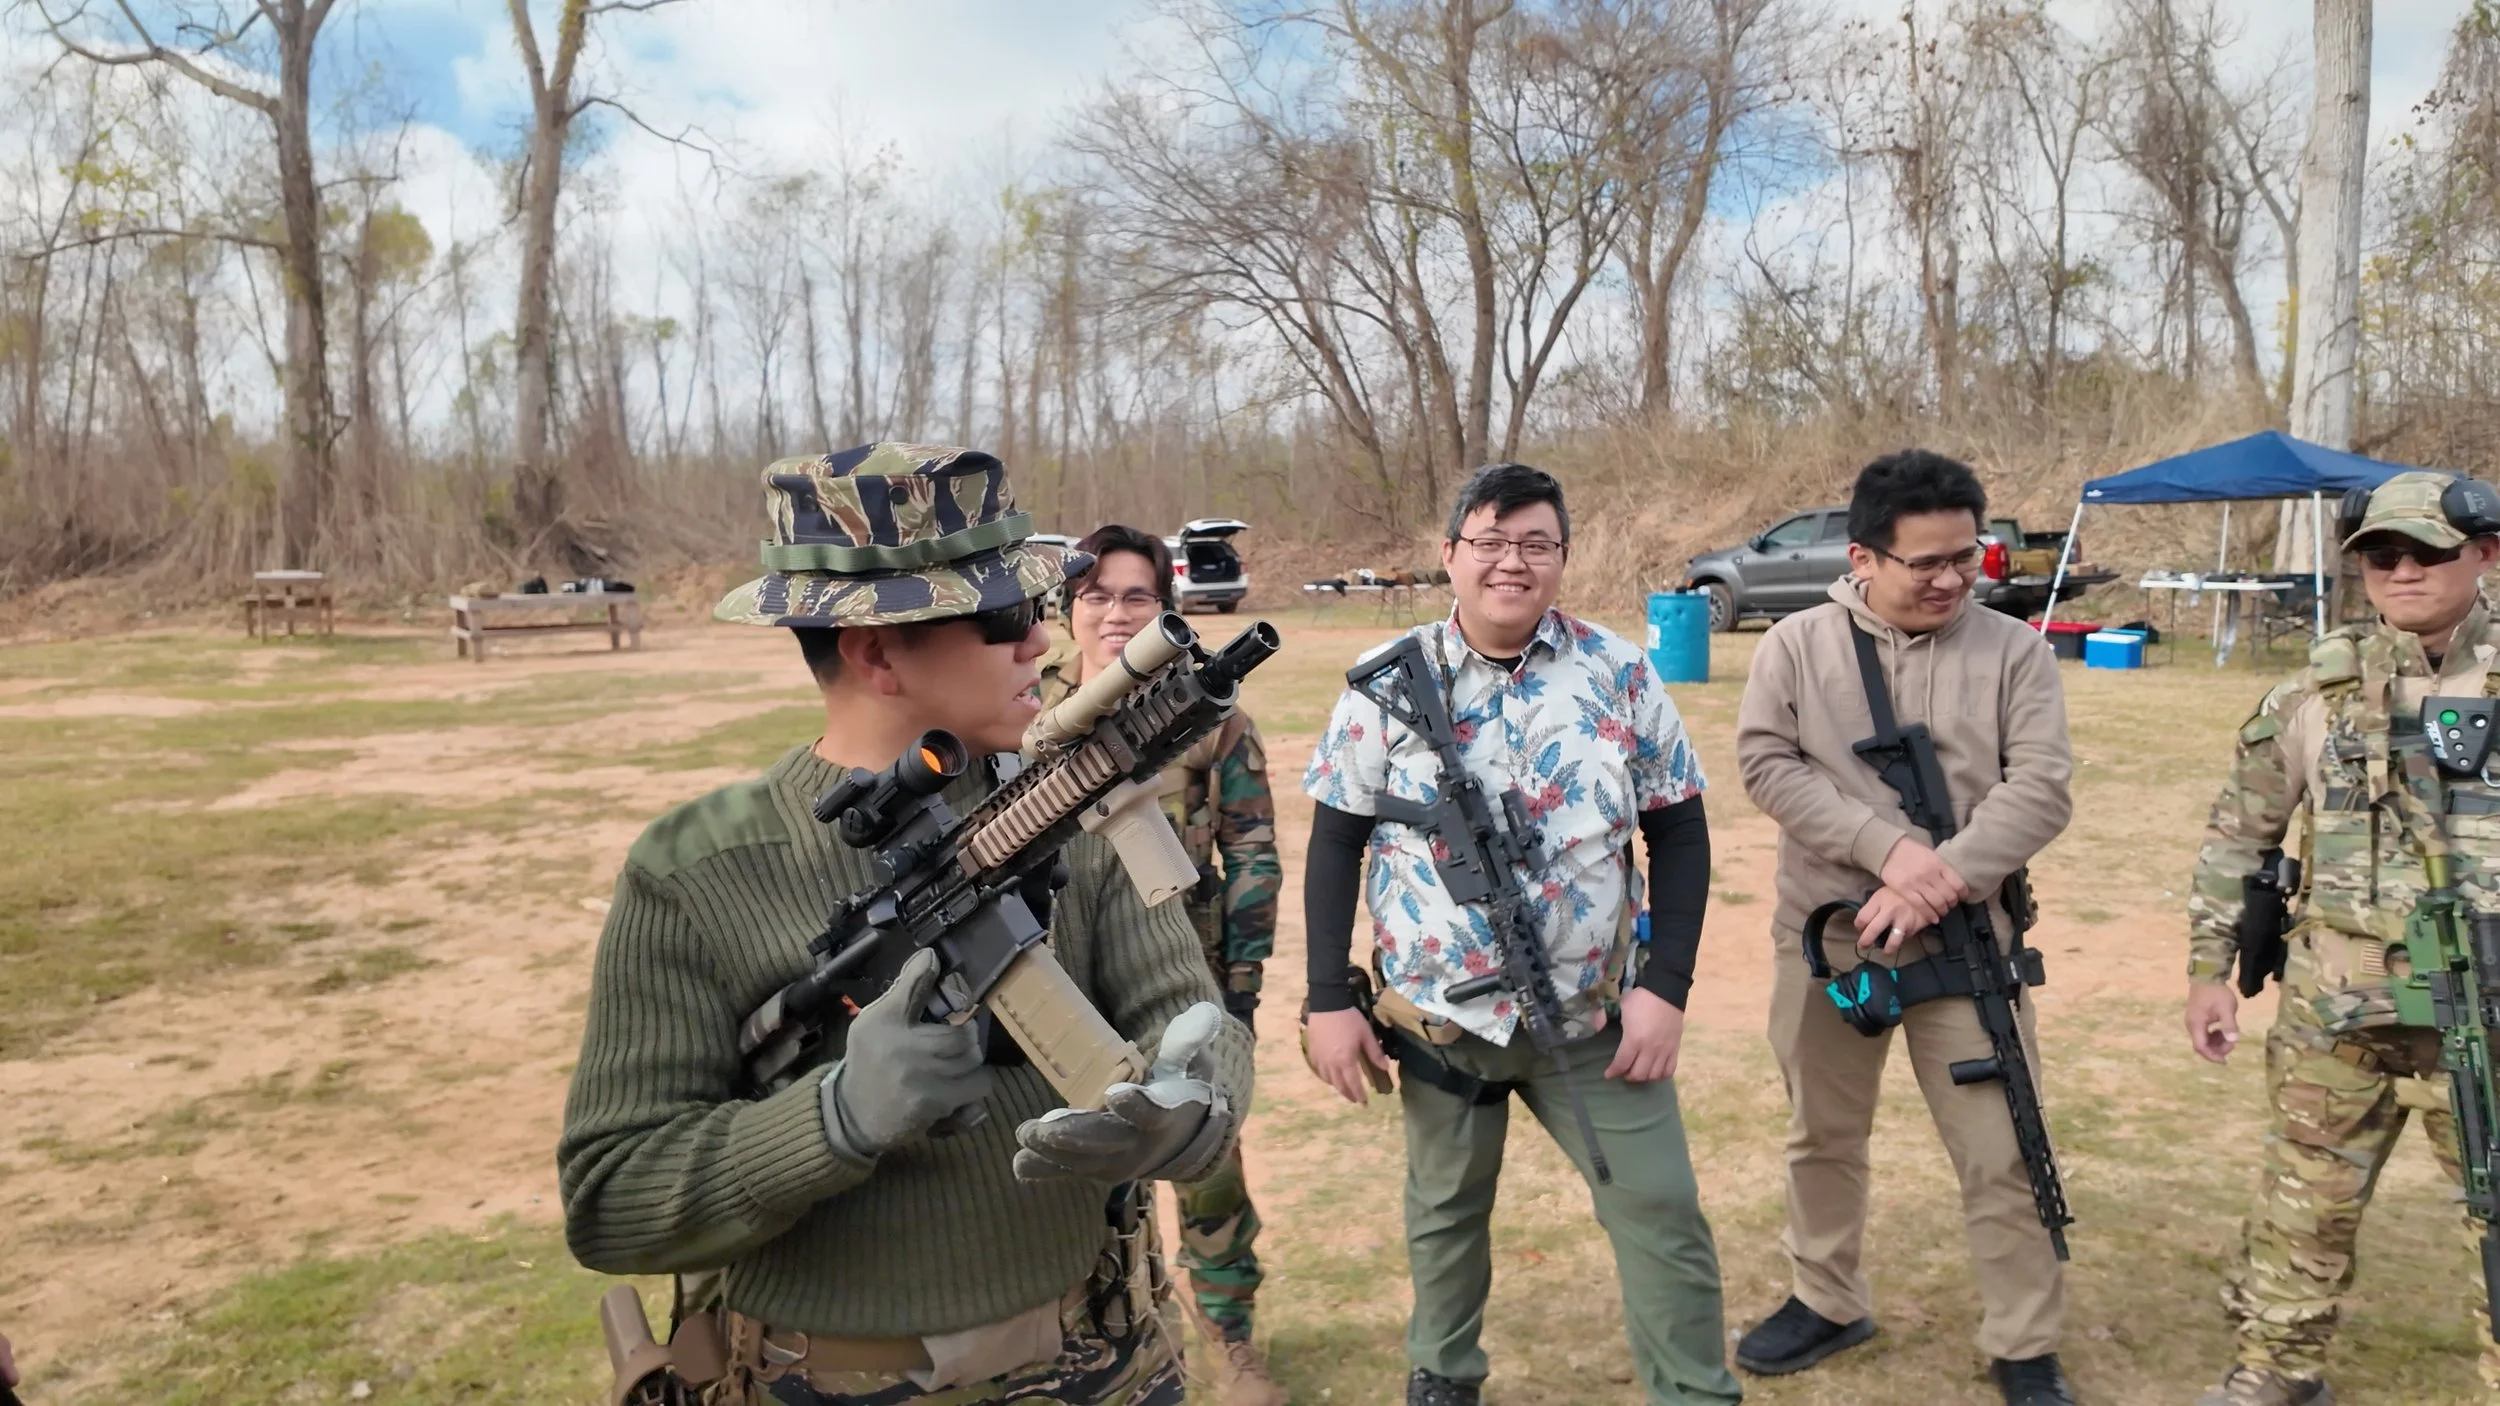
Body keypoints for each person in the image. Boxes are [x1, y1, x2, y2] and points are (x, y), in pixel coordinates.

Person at [557, 443, 1254, 1406]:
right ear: (876, 651)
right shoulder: (692, 875)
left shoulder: (1071, 810)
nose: (1042, 647)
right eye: (1006, 619)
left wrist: (1194, 1109)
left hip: (1105, 1365)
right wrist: (832, 1120)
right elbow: (612, 1204)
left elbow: (1190, 1015)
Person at [1300, 462, 1740, 1406]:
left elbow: (1680, 829)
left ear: (1563, 558)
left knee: (1661, 1209)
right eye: (1491, 542)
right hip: (1441, 1022)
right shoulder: (1384, 687)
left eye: (1536, 543)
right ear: (1450, 555)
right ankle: (1443, 1374)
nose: (1512, 562)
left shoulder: (1617, 672)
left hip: (1592, 1022)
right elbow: (1336, 839)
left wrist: (1667, 987)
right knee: (1445, 1211)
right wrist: (1326, 998)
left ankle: (1696, 1390)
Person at [1732, 449, 2077, 1406]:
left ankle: (2022, 1340)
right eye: (1925, 561)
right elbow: (1767, 764)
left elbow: (2041, 789)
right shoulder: (1795, 646)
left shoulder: (2015, 651)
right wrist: (1884, 850)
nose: (1951, 578)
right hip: (1828, 936)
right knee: (1822, 1135)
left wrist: (1941, 880)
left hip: (1971, 946)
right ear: (1862, 558)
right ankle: (1827, 1297)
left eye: (1966, 556)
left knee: (2004, 1145)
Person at [2184, 471, 2500, 1406]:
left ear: (2486, 555)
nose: (2402, 572)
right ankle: (2276, 1369)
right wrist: (2209, 968)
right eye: (2380, 557)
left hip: (2483, 1014)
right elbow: (2238, 837)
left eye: (2427, 553)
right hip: (2337, 1007)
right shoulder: (2313, 694)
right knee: (2304, 1203)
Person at [1036, 523, 1285, 1406]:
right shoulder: (1025, 708)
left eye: (1136, 596)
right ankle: (1109, 1335)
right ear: (1068, 609)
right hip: (1054, 982)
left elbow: (1254, 856)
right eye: (1096, 595)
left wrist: (1241, 996)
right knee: (1067, 1165)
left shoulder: (1210, 715)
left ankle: (1231, 1337)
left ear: (1164, 610)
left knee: (1207, 1168)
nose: (1114, 612)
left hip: (1185, 983)